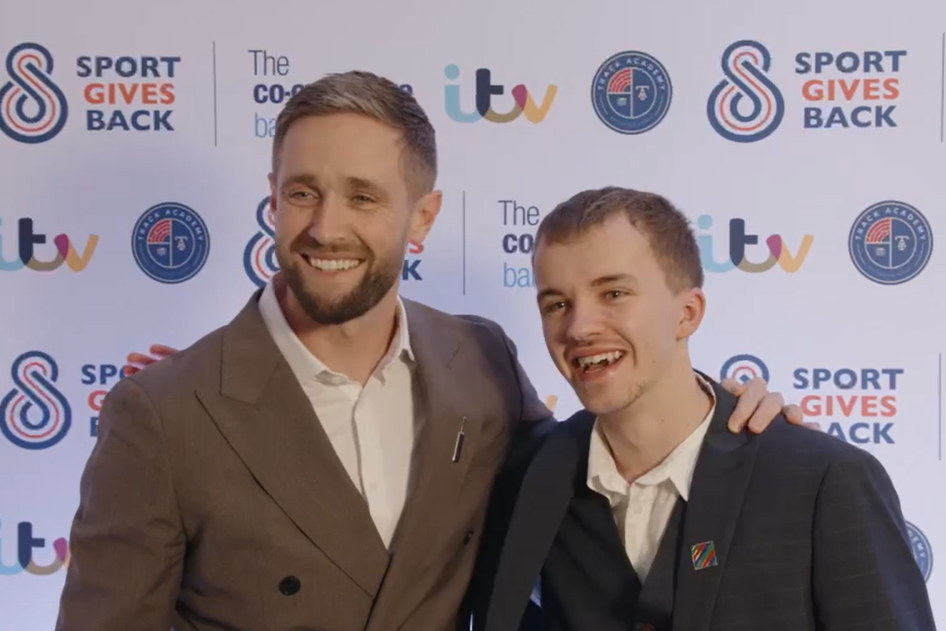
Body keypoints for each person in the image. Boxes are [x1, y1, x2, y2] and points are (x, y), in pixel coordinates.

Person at [55, 72, 802, 631]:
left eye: (364, 197)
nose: (326, 226)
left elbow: (589, 468)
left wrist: (725, 421)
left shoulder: (479, 359)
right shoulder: (160, 414)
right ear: (273, 199)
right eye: (303, 193)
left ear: (424, 216)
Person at [466, 187, 935, 631]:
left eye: (614, 293)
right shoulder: (529, 477)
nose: (580, 327)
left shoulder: (822, 480)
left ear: (688, 313)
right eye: (557, 304)